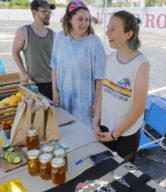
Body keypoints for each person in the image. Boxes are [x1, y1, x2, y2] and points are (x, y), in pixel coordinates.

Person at [93, 10, 149, 163]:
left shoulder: (141, 63)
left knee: (122, 178)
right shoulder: (109, 59)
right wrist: (96, 122)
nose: (107, 33)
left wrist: (115, 135)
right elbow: (102, 95)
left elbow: (138, 108)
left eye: (113, 29)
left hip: (126, 135)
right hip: (105, 128)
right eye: (108, 28)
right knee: (103, 171)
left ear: (128, 34)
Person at [51, 0, 105, 126]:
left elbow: (100, 78)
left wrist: (97, 103)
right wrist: (55, 92)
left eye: (87, 19)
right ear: (69, 19)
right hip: (64, 100)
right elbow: (54, 66)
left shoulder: (94, 42)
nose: (84, 23)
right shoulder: (60, 38)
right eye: (80, 19)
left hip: (85, 105)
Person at [12, 0, 56, 100]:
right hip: (35, 84)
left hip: (54, 83)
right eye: (45, 12)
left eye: (49, 12)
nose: (48, 15)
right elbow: (15, 52)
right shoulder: (23, 31)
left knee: (55, 114)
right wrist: (23, 72)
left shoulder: (53, 34)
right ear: (34, 12)